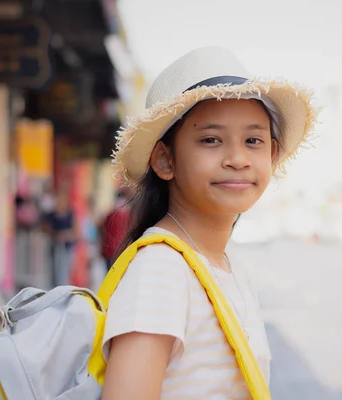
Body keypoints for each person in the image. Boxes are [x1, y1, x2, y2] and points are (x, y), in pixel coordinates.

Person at [101, 46, 317, 399]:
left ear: (272, 154)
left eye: (253, 141)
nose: (237, 158)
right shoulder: (161, 269)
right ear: (165, 160)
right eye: (211, 140)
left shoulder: (225, 266)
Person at [45, 190, 77, 287]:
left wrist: (65, 235)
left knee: (66, 271)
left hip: (67, 247)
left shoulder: (70, 215)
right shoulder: (51, 215)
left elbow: (76, 232)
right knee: (54, 271)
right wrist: (56, 234)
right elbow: (46, 228)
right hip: (55, 246)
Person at [99, 188, 133, 270]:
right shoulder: (129, 215)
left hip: (109, 249)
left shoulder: (110, 214)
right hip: (123, 249)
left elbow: (102, 231)